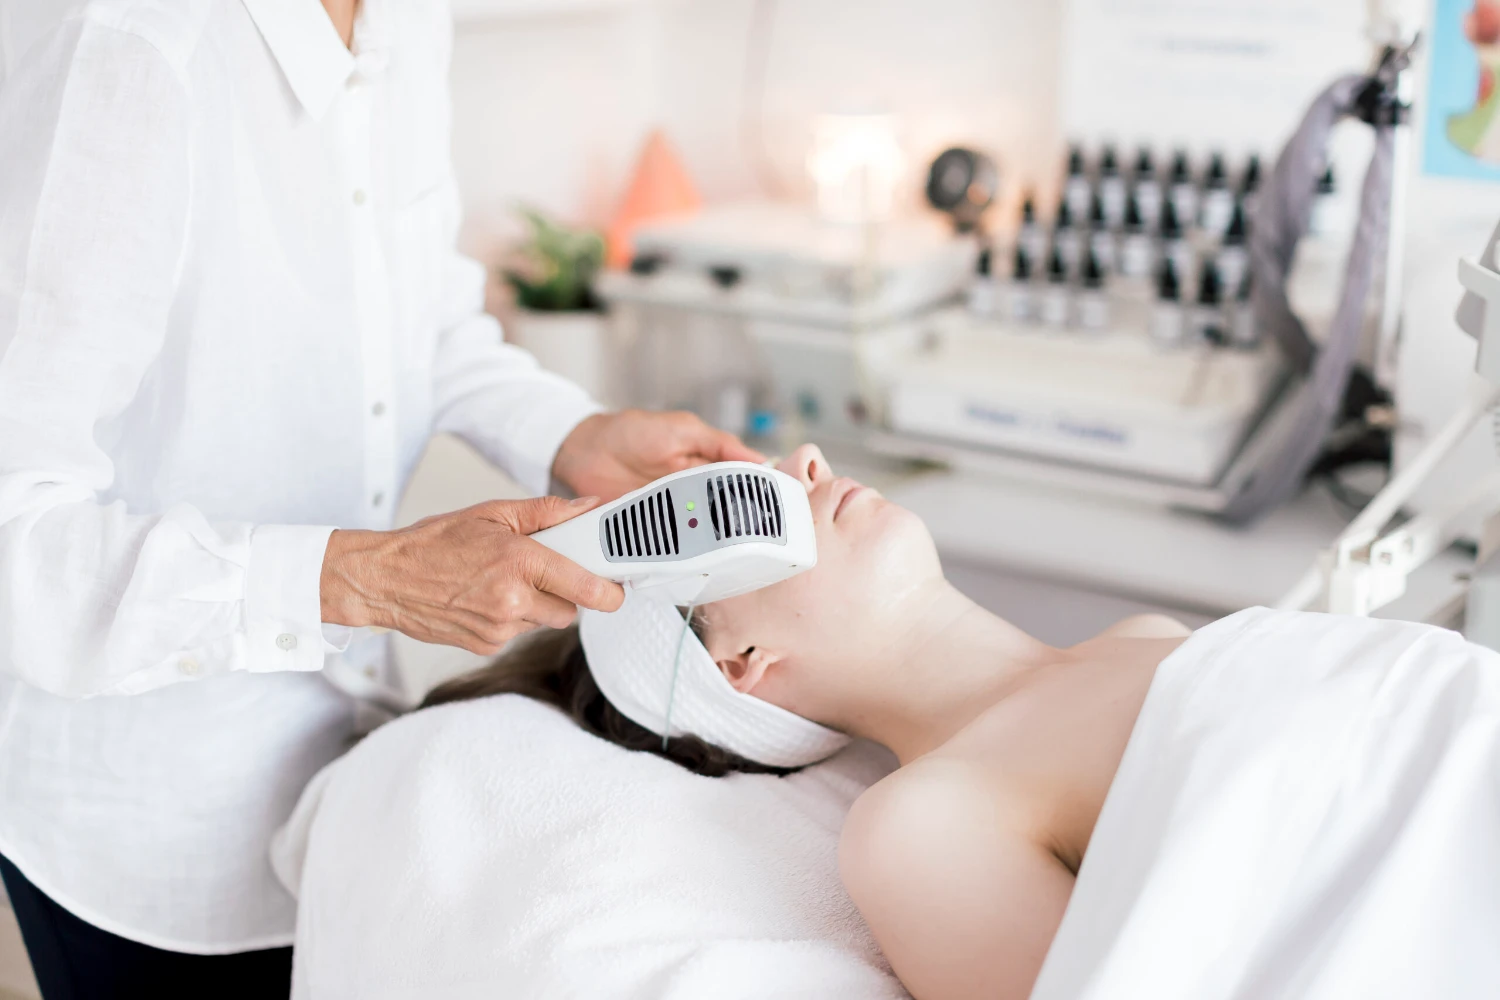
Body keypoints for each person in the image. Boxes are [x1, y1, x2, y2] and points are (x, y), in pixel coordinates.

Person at [0, 0, 758, 996]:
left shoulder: (405, 18)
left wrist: (571, 434)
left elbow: (425, 318)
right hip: (149, 819)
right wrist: (361, 580)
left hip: (346, 777)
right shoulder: (122, 43)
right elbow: (18, 532)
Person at [428, 443, 1500, 1000]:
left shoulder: (1144, 635)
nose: (808, 462)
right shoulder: (918, 825)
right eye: (749, 507)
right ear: (741, 666)